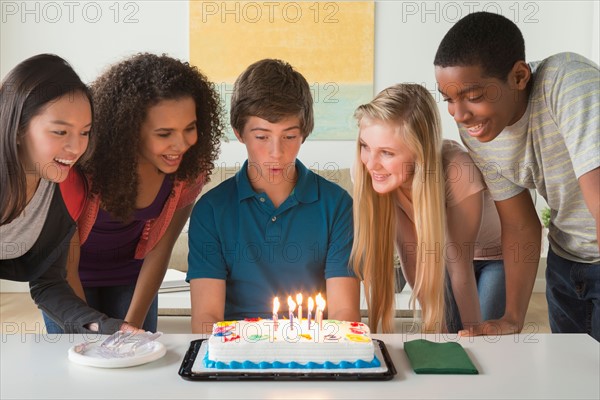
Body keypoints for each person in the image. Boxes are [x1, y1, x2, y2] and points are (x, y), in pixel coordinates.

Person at [434, 12, 599, 340]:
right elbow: (520, 223)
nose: (460, 114)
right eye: (449, 100)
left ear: (520, 76)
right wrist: (511, 317)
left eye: (474, 96)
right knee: (574, 382)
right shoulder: (478, 130)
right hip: (566, 263)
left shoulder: (569, 83)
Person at [43, 53, 224, 333]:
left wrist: (131, 328)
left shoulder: (189, 170)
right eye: (164, 134)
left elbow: (160, 251)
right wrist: (89, 333)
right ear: (128, 129)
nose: (181, 144)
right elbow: (67, 263)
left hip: (132, 277)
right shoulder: (79, 164)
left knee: (136, 367)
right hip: (70, 277)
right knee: (79, 368)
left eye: (189, 128)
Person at [187, 59, 360, 334]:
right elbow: (206, 316)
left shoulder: (337, 206)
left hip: (313, 354)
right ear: (239, 133)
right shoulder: (211, 210)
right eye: (262, 137)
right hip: (236, 357)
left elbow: (344, 313)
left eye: (289, 136)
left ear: (304, 133)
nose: (276, 153)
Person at [351, 83, 504, 333]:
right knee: (446, 331)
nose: (371, 163)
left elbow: (459, 264)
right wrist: (437, 331)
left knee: (482, 336)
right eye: (365, 146)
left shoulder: (456, 170)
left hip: (494, 255)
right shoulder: (372, 174)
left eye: (387, 153)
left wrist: (474, 338)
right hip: (442, 253)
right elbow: (412, 257)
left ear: (419, 152)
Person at [0, 54, 137, 333]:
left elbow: (49, 282)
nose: (76, 147)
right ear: (17, 129)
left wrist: (104, 326)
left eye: (85, 132)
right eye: (60, 132)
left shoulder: (68, 190)